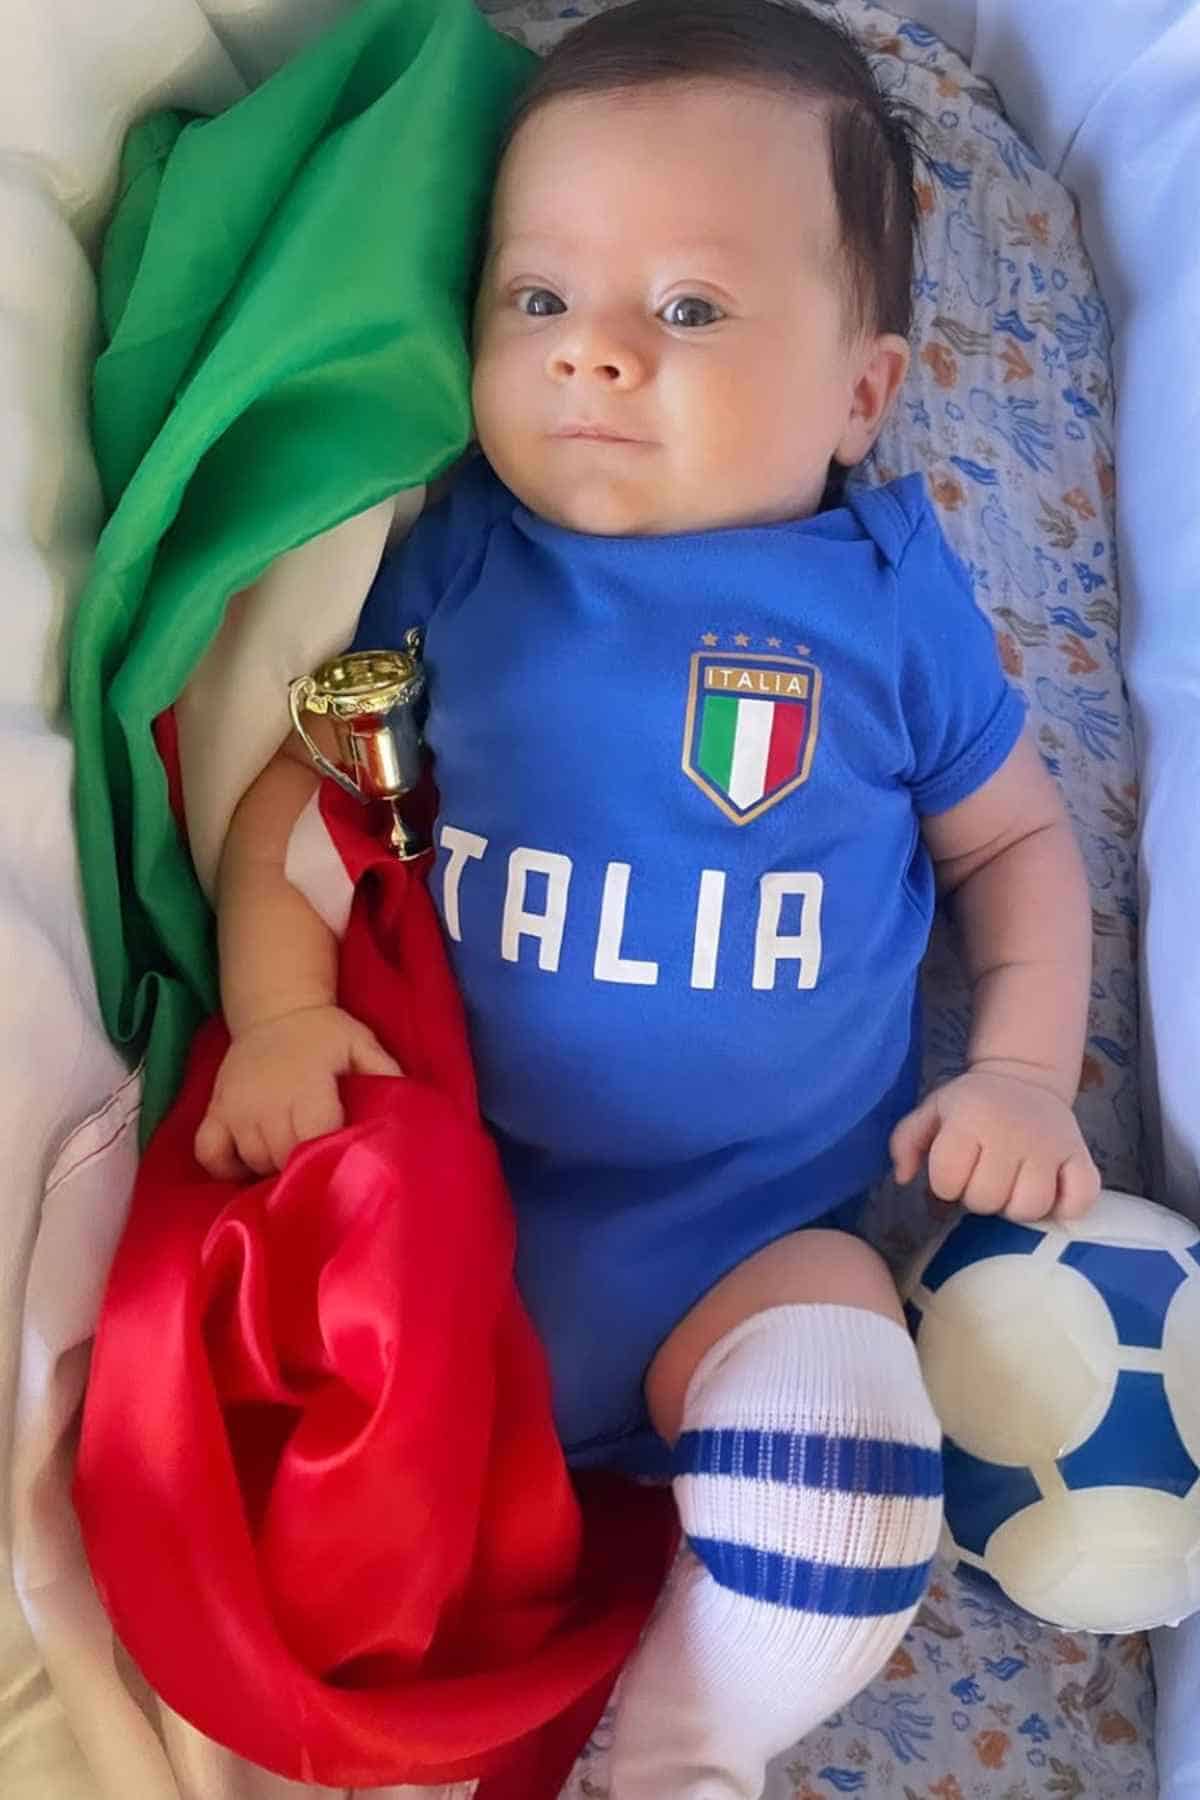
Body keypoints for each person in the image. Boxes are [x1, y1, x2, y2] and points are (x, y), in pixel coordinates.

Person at [194, 0, 1101, 1791]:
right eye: (539, 302)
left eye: (688, 310)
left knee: (850, 1471)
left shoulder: (882, 594)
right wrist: (283, 1010)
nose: (594, 355)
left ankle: (683, 1749)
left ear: (862, 392)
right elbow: (296, 796)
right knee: (302, 1546)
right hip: (456, 1222)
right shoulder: (457, 561)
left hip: (751, 1245)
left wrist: (1025, 1074)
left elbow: (1014, 845)